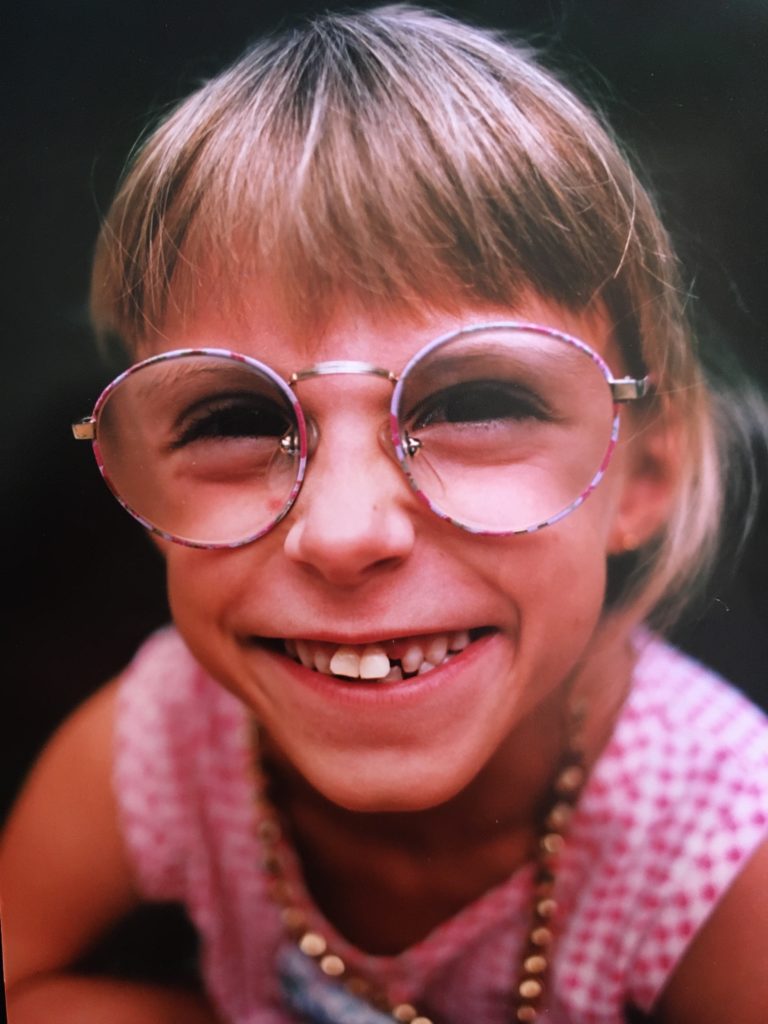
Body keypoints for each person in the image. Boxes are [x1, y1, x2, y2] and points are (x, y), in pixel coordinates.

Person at [2, 6, 767, 1022]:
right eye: (232, 417)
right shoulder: (163, 743)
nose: (346, 530)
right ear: (143, 486)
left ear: (644, 474)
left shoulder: (719, 837)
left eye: (478, 404)